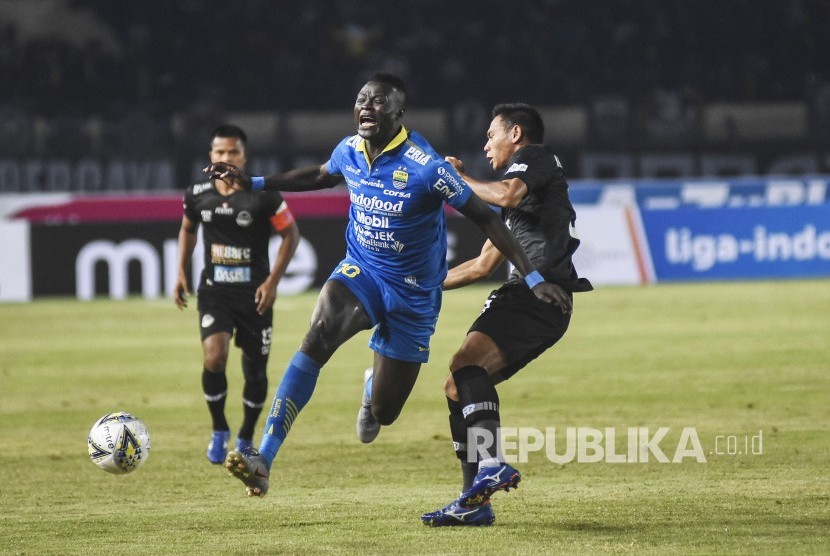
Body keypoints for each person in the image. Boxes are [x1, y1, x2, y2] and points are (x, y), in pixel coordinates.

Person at [204, 73, 572, 497]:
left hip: (413, 297)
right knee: (319, 333)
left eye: (378, 102)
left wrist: (533, 277)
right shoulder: (349, 150)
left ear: (398, 114)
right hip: (363, 272)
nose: (366, 106)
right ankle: (263, 457)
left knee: (386, 409)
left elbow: (489, 219)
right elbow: (322, 175)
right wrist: (252, 182)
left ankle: (370, 392)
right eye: (362, 99)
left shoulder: (425, 165)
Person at [421, 103, 593, 526]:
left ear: (515, 134)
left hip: (537, 294)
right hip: (536, 300)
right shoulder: (521, 200)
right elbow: (480, 266)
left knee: (465, 365)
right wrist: (418, 285)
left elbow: (504, 193)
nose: (486, 145)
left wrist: (455, 178)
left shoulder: (533, 159)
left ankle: (491, 464)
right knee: (457, 386)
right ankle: (473, 503)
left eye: (490, 135)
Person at [174, 124, 300, 464]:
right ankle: (219, 430)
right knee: (214, 357)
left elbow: (291, 234)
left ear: (243, 157)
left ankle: (245, 434)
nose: (225, 158)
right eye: (219, 152)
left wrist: (272, 282)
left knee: (255, 371)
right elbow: (188, 229)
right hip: (215, 291)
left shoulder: (264, 194)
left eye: (232, 152)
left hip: (256, 295)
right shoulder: (197, 191)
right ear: (211, 156)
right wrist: (181, 270)